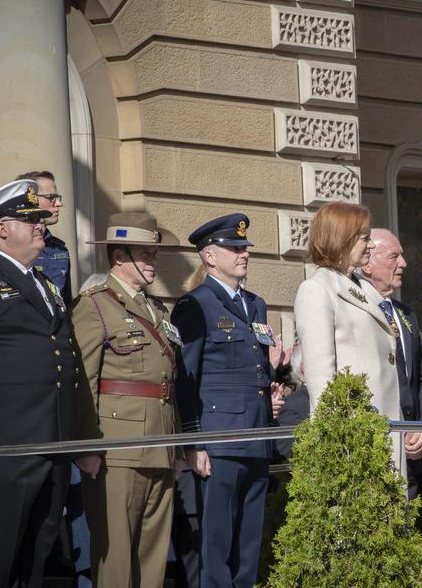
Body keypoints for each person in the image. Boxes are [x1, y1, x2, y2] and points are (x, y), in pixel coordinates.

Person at [0, 179, 81, 588]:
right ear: (2, 230)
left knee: (39, 549)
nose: (40, 226)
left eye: (39, 218)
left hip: (52, 440)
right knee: (0, 552)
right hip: (7, 444)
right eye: (29, 218)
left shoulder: (46, 283)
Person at [70, 212, 181, 587]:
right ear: (119, 256)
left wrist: (177, 446)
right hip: (116, 449)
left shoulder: (156, 309)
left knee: (152, 563)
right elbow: (82, 381)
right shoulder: (94, 305)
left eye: (154, 253)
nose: (154, 261)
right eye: (145, 253)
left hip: (161, 445)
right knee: (116, 561)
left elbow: (168, 382)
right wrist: (84, 446)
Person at [172, 213, 274, 588]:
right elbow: (186, 377)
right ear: (209, 257)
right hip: (220, 441)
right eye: (233, 248)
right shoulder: (195, 305)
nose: (243, 254)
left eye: (244, 248)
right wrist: (193, 443)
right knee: (215, 546)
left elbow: (258, 368)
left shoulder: (256, 304)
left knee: (249, 546)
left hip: (257, 436)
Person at [357, 228, 422, 551]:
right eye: (393, 256)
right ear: (368, 263)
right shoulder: (355, 309)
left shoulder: (406, 315)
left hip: (420, 450)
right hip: (381, 445)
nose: (403, 263)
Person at [293, 201, 405, 475]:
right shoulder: (317, 289)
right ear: (342, 238)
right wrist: (334, 445)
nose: (370, 245)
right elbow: (321, 379)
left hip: (383, 431)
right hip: (354, 438)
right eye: (364, 238)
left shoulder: (363, 288)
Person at [18, 170, 72, 307]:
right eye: (52, 197)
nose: (59, 203)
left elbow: (66, 301)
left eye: (58, 197)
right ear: (31, 198)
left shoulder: (59, 249)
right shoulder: (13, 246)